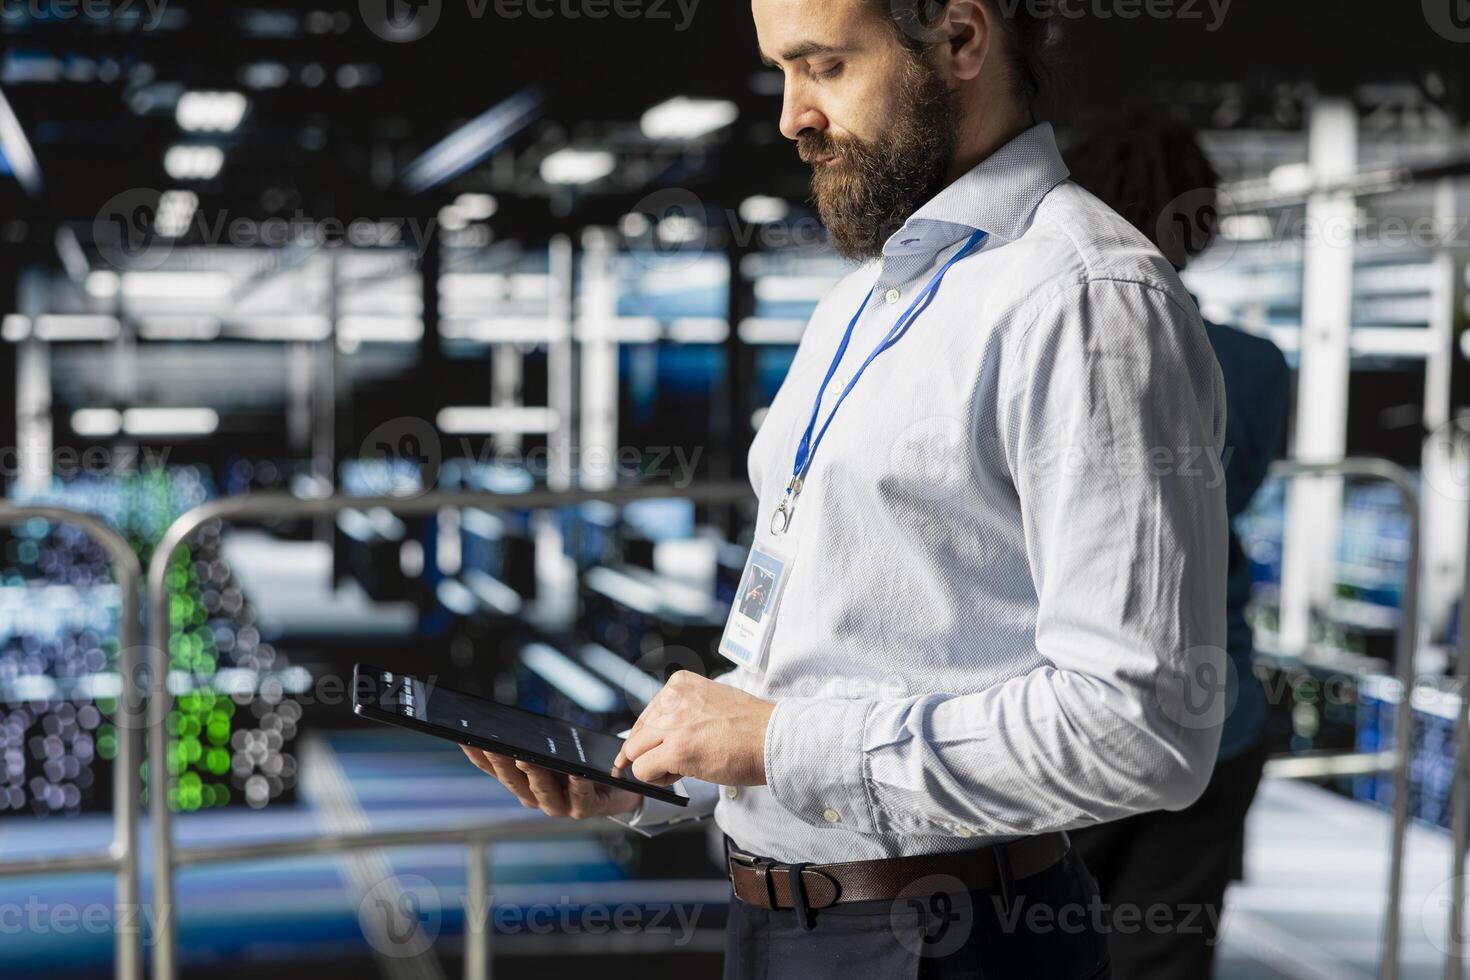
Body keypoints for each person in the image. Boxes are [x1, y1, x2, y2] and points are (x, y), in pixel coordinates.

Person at [463, 3, 1230, 977]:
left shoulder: (1082, 300)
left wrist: (780, 741)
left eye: (823, 65)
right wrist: (666, 769)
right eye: (782, 70)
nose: (791, 115)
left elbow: (1142, 728)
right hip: (779, 923)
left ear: (959, 41)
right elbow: (827, 663)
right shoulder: (862, 301)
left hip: (942, 940)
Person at [1062, 114, 1291, 979]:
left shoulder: (1056, 349)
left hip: (1068, 722)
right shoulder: (1259, 366)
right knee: (1163, 958)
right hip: (1215, 711)